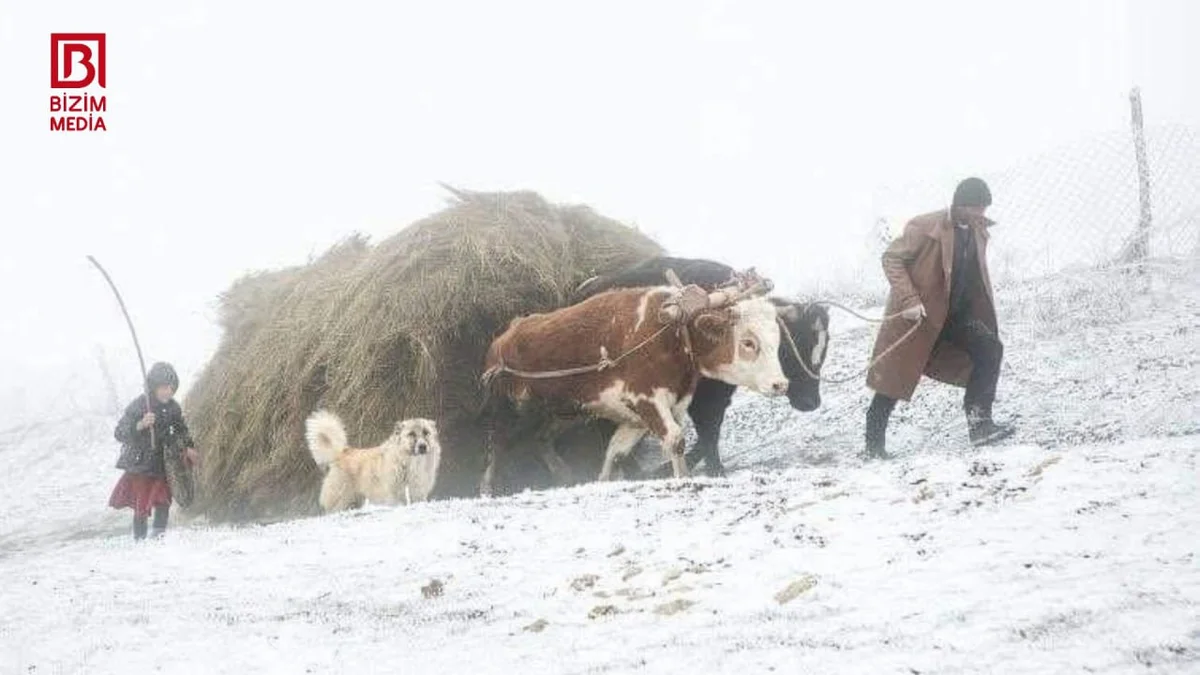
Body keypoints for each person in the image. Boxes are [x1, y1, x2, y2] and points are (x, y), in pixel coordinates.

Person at [864, 177, 1015, 459]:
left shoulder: (977, 231)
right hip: (919, 317)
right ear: (960, 205)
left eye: (983, 210)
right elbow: (891, 258)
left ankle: (980, 423)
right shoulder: (924, 227)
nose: (980, 215)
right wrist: (909, 300)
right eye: (976, 209)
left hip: (955, 316)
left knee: (990, 348)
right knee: (894, 379)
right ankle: (873, 447)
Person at [108, 362, 200, 539]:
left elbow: (182, 430)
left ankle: (158, 538)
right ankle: (140, 540)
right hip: (142, 466)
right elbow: (120, 432)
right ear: (153, 387)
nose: (168, 391)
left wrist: (188, 447)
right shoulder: (140, 405)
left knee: (163, 502)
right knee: (141, 506)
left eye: (171, 387)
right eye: (163, 387)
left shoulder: (173, 407)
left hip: (165, 465)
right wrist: (141, 424)